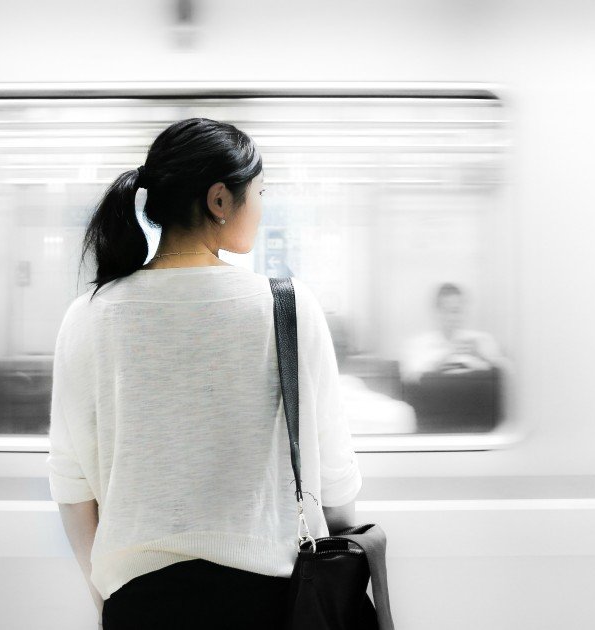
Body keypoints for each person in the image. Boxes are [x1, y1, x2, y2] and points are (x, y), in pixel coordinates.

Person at [46, 118, 363, 629]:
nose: (261, 207)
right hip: (271, 601)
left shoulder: (87, 315)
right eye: (258, 191)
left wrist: (108, 599)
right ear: (219, 200)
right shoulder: (289, 306)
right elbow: (335, 479)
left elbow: (72, 483)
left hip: (139, 602)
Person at [400, 283, 508, 383]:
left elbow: (507, 373)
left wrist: (480, 355)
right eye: (447, 311)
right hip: (432, 400)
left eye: (458, 311)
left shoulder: (481, 340)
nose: (453, 317)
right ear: (437, 312)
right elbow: (408, 379)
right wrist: (443, 360)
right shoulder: (417, 345)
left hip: (475, 399)